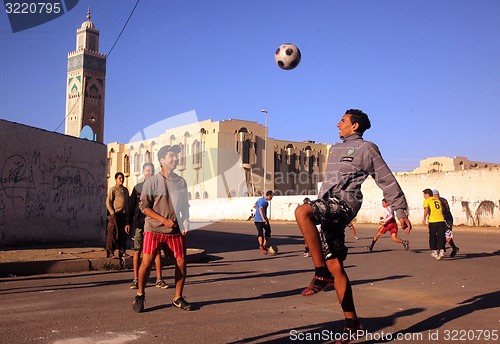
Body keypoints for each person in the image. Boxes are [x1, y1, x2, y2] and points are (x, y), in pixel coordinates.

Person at [294, 109, 412, 342]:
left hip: (345, 204)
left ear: (355, 126)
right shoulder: (335, 149)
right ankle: (353, 323)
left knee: (302, 211)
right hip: (328, 206)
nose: (338, 124)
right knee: (336, 267)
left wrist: (400, 210)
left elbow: (386, 179)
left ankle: (319, 275)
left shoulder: (367, 148)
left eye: (343, 120)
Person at [133, 145, 191, 312]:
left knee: (181, 262)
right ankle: (140, 294)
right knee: (147, 262)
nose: (175, 159)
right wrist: (163, 220)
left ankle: (178, 297)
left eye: (176, 156)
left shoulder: (181, 181)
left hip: (175, 229)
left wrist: (185, 220)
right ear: (162, 160)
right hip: (154, 229)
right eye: (171, 156)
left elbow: (185, 205)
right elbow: (144, 207)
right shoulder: (152, 182)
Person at [129, 162, 169, 290]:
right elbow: (131, 207)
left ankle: (159, 279)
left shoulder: (158, 186)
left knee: (156, 252)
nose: (149, 173)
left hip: (154, 226)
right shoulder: (138, 188)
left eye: (151, 170)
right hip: (140, 225)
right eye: (147, 170)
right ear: (143, 172)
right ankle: (136, 279)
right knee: (137, 251)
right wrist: (128, 223)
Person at [105, 172, 130, 259]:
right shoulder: (113, 189)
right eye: (119, 178)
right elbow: (108, 202)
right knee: (112, 233)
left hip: (123, 215)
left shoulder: (126, 190)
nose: (121, 180)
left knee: (122, 234)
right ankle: (110, 252)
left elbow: (127, 202)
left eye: (122, 178)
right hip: (115, 214)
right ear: (116, 179)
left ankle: (122, 252)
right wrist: (112, 213)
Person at [432, 189, 459, 257]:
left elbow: (445, 210)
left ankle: (454, 248)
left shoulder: (440, 201)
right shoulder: (441, 200)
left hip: (447, 220)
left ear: (435, 195)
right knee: (440, 235)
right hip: (442, 220)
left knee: (447, 236)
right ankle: (441, 249)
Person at [422, 188, 446, 260]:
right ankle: (441, 250)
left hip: (433, 221)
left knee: (432, 236)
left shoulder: (427, 200)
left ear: (427, 194)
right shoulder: (438, 200)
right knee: (441, 236)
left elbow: (426, 209)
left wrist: (424, 218)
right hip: (441, 220)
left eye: (424, 195)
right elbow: (442, 209)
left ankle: (435, 251)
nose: (423, 196)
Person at [253, 190, 274, 255]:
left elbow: (254, 206)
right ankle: (263, 245)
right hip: (262, 220)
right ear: (269, 195)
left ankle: (261, 245)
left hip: (256, 219)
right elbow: (260, 209)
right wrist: (263, 218)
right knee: (268, 232)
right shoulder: (265, 202)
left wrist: (256, 213)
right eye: (272, 196)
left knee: (260, 232)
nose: (272, 198)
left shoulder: (260, 199)